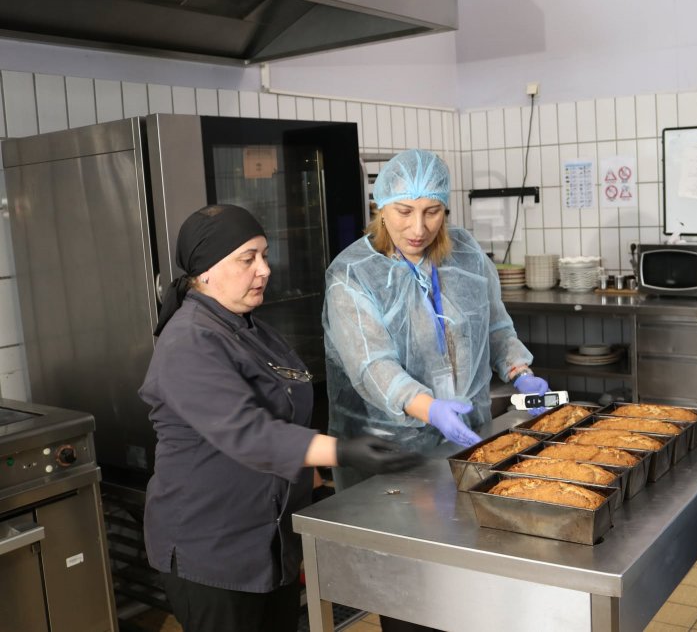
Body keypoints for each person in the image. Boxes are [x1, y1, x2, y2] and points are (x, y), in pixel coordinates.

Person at [141, 204, 421, 632]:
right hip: (213, 550)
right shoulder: (189, 340)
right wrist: (341, 451)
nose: (265, 270)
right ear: (206, 272)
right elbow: (249, 432)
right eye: (247, 259)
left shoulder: (252, 329)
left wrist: (315, 478)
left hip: (269, 541)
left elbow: (286, 407)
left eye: (265, 255)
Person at [322, 149, 548, 632]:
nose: (418, 227)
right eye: (404, 211)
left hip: (467, 446)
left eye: (432, 211)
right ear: (381, 207)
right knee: (411, 597)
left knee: (471, 582)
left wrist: (519, 370)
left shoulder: (464, 253)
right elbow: (372, 366)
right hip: (392, 458)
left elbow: (495, 326)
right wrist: (429, 409)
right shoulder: (353, 273)